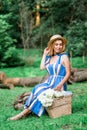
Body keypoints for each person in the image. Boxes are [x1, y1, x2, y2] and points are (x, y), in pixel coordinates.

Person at [8, 34, 71, 120]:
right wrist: (44, 54)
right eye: (56, 44)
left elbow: (68, 73)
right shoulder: (50, 57)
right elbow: (42, 67)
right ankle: (28, 109)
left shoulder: (64, 57)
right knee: (37, 88)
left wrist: (60, 85)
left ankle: (22, 114)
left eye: (60, 44)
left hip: (59, 83)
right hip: (50, 81)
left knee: (42, 92)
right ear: (52, 45)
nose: (59, 46)